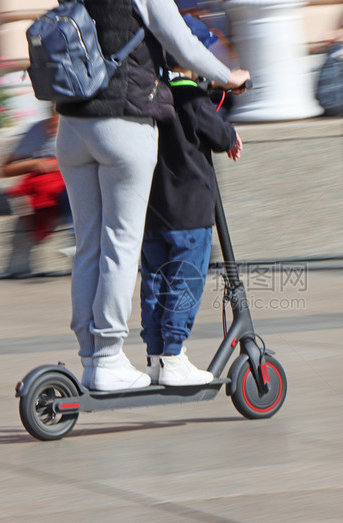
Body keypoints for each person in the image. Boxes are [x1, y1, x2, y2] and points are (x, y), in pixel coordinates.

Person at [54, 0, 250, 392]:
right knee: (122, 244)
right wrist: (227, 76)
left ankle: (92, 358)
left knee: (89, 245)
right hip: (121, 121)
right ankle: (111, 357)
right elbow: (183, 44)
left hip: (72, 127)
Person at [140, 42, 243, 387]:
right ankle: (174, 355)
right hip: (191, 215)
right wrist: (230, 136)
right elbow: (219, 134)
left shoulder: (154, 94)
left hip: (153, 213)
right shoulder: (191, 97)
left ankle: (155, 356)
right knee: (185, 281)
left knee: (155, 282)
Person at [1, 107, 73, 277]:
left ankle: (77, 238)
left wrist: (62, 165)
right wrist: (35, 164)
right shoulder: (36, 131)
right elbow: (5, 169)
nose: (54, 125)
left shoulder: (78, 130)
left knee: (70, 188)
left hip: (72, 181)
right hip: (46, 184)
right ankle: (76, 238)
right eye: (53, 116)